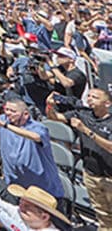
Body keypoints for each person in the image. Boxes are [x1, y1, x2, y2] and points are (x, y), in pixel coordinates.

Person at [46, 87, 112, 227]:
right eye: (89, 96)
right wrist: (50, 105)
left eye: (95, 97)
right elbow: (55, 117)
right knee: (101, 213)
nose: (90, 99)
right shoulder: (83, 114)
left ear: (107, 103)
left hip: (109, 177)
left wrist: (86, 130)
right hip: (90, 174)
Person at [0, 98, 63, 198]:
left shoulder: (37, 127)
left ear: (25, 114)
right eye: (6, 109)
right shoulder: (3, 120)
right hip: (15, 185)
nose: (8, 113)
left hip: (42, 188)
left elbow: (36, 137)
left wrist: (6, 126)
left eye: (12, 111)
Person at [0, 181, 70, 231]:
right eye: (21, 203)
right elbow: (3, 205)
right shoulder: (28, 217)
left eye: (27, 207)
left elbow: (16, 228)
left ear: (44, 217)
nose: (21, 208)